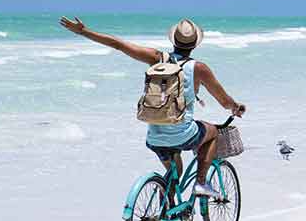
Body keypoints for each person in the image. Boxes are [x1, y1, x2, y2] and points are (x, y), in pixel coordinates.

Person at [58, 16, 246, 199]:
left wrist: (83, 32)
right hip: (184, 133)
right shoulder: (199, 68)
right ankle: (201, 182)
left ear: (173, 41)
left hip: (155, 136)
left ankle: (162, 217)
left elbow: (119, 44)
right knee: (212, 132)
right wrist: (236, 107)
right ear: (196, 43)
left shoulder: (157, 58)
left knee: (175, 171)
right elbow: (224, 101)